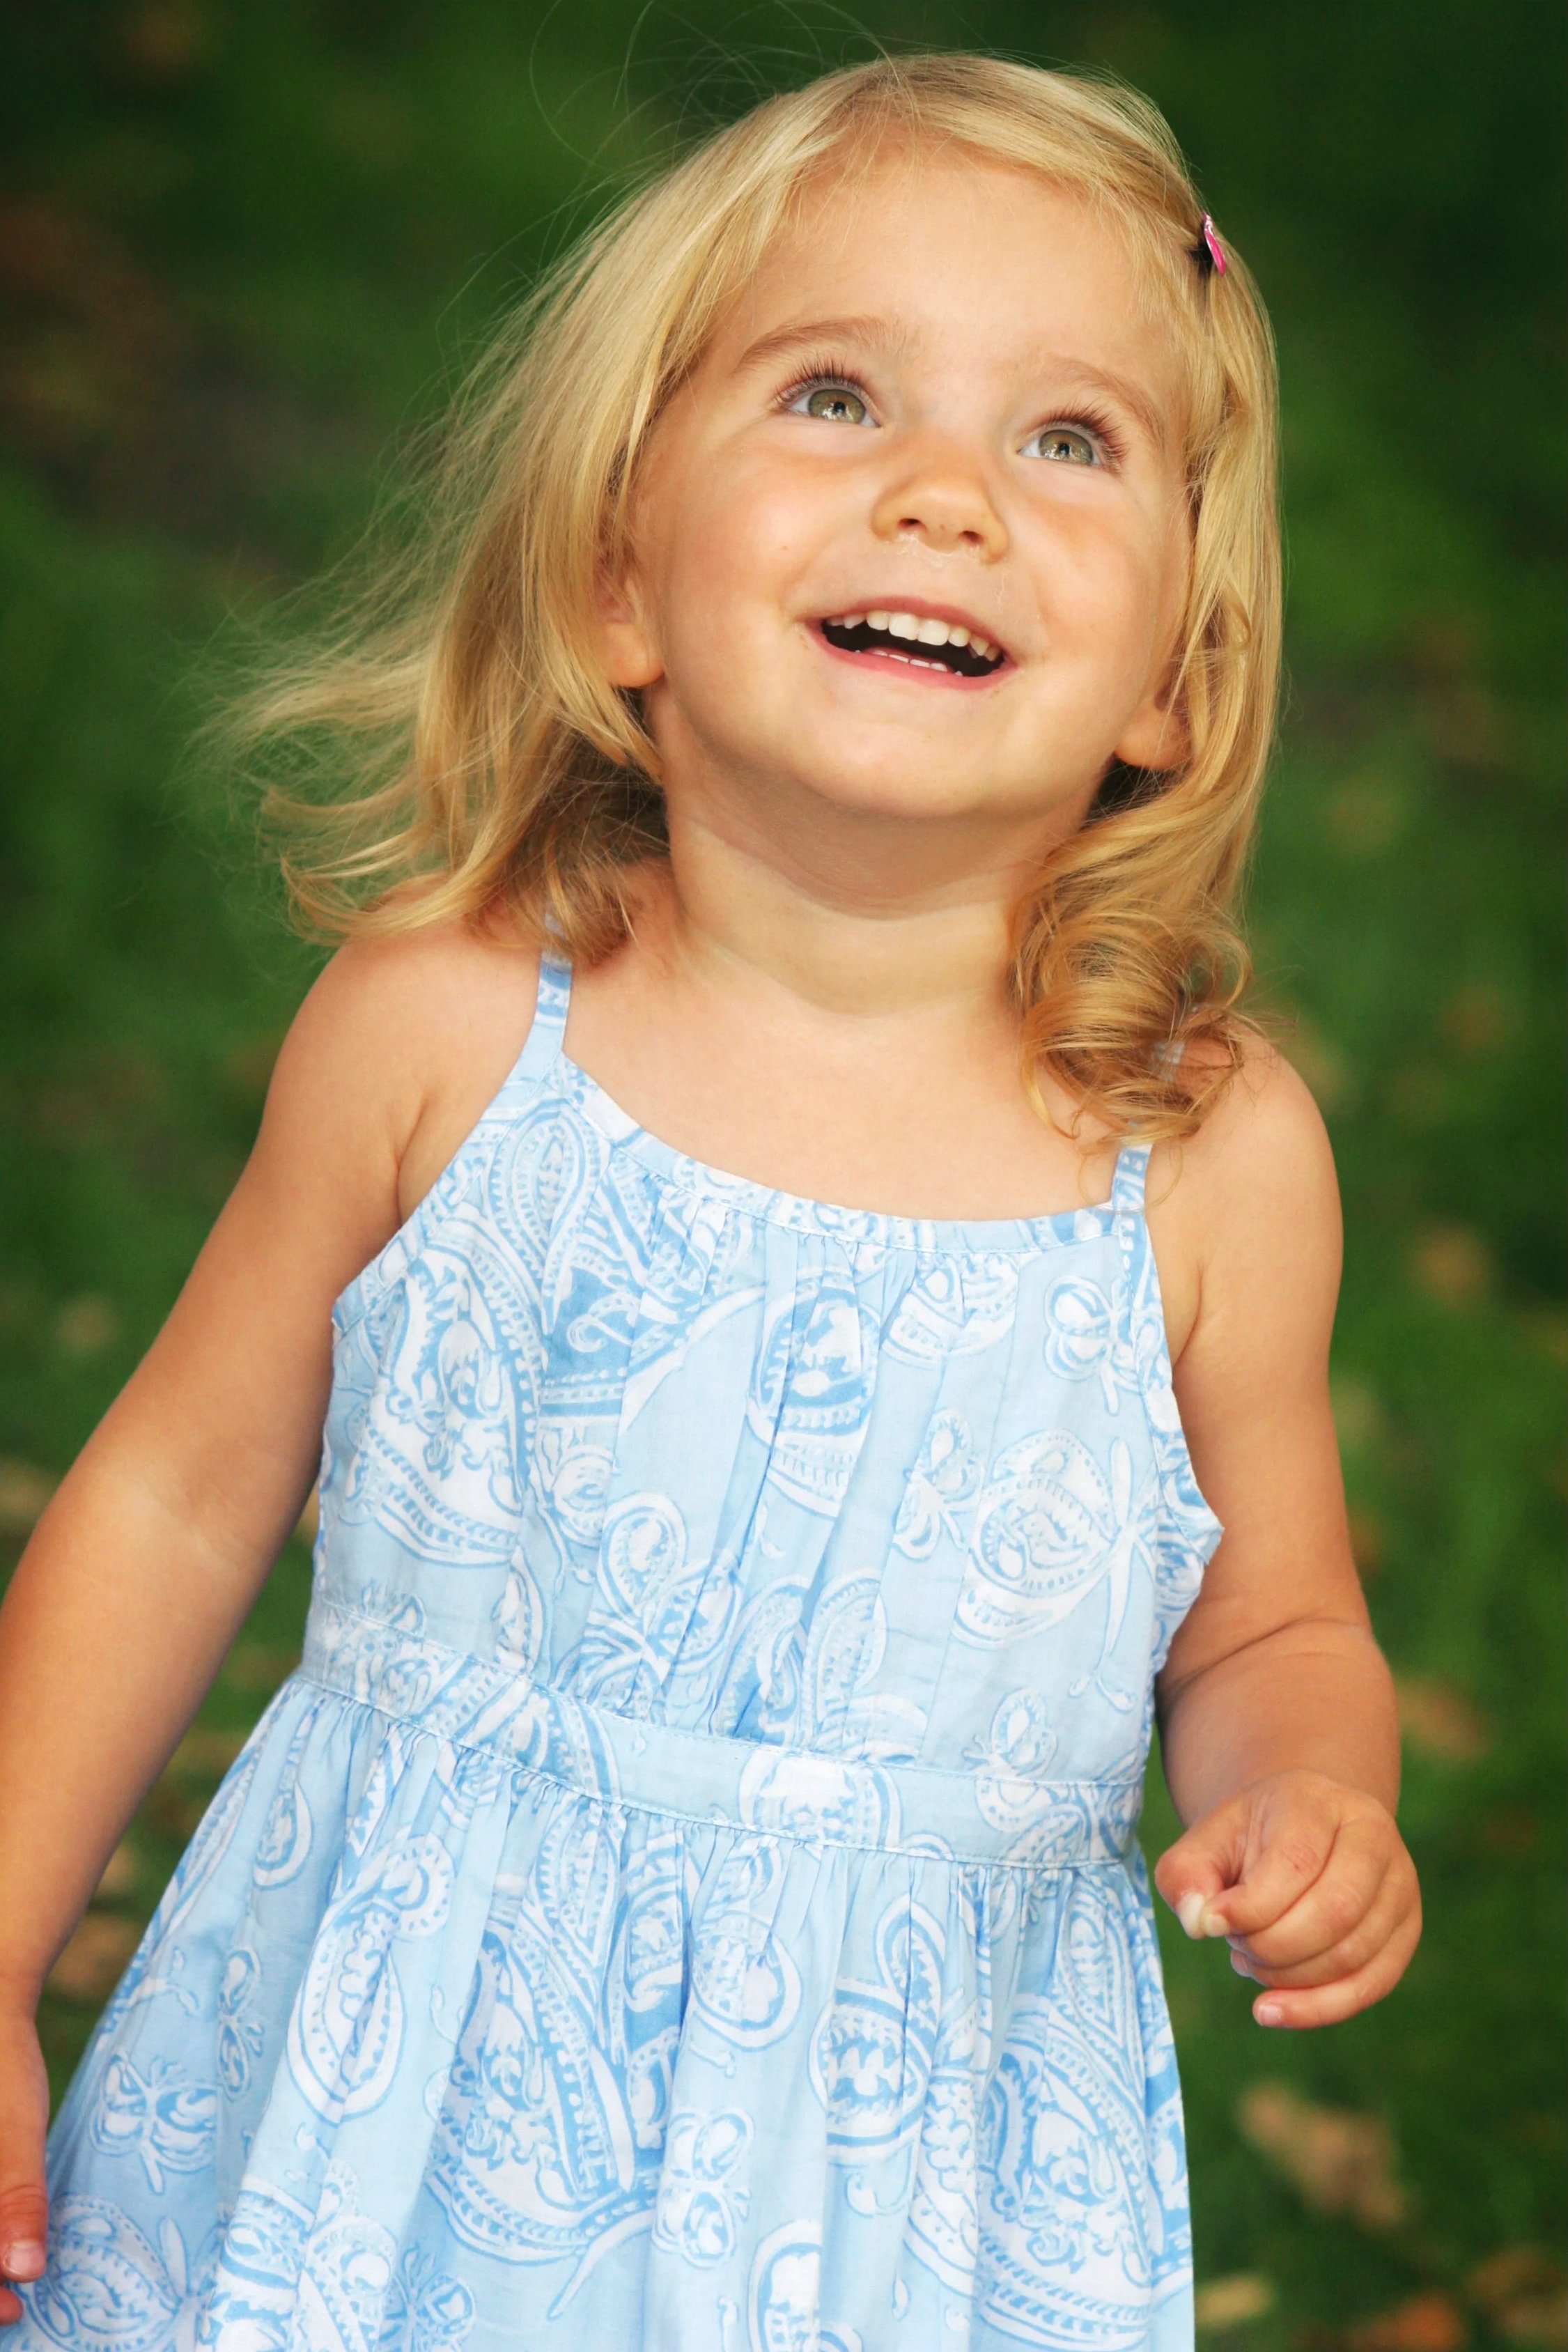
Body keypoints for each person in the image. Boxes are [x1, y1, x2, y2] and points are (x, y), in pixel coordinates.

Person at [0, 52, 1420, 2351]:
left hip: (892, 2204)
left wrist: (1314, 1796)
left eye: (1069, 439)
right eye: (835, 397)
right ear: (616, 579)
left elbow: (1264, 1629)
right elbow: (174, 1496)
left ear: (1173, 675)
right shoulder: (449, 1034)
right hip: (370, 2128)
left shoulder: (1194, 1157)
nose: (945, 494)